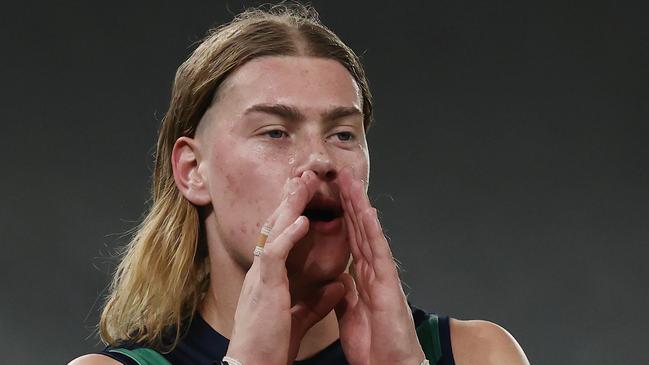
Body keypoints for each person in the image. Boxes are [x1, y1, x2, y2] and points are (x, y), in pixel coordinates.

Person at [70, 4, 529, 365]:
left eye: (343, 134)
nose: (320, 159)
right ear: (193, 170)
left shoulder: (478, 355)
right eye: (275, 132)